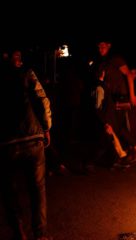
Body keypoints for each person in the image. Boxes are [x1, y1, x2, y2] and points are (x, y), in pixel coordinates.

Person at [0, 49, 52, 240]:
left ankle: (20, 234)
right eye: (19, 58)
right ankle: (40, 235)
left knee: (9, 191)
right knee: (37, 189)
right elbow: (42, 100)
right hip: (33, 137)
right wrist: (46, 127)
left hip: (6, 143)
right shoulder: (27, 74)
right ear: (18, 60)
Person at [92, 40, 136, 170]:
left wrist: (132, 95)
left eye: (103, 45)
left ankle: (134, 151)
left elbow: (128, 75)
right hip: (111, 99)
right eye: (99, 46)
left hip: (121, 97)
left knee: (117, 127)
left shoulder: (115, 59)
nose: (101, 48)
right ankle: (128, 153)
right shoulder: (102, 62)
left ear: (109, 46)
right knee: (117, 127)